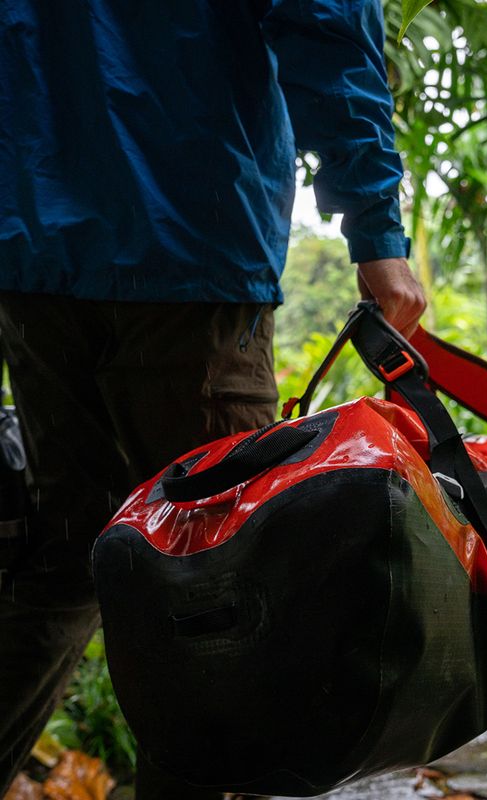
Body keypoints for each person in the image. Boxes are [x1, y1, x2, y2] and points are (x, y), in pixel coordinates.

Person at [0, 1, 425, 798]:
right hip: (185, 241)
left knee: (64, 559)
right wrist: (377, 232)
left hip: (34, 252)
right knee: (226, 577)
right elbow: (325, 22)